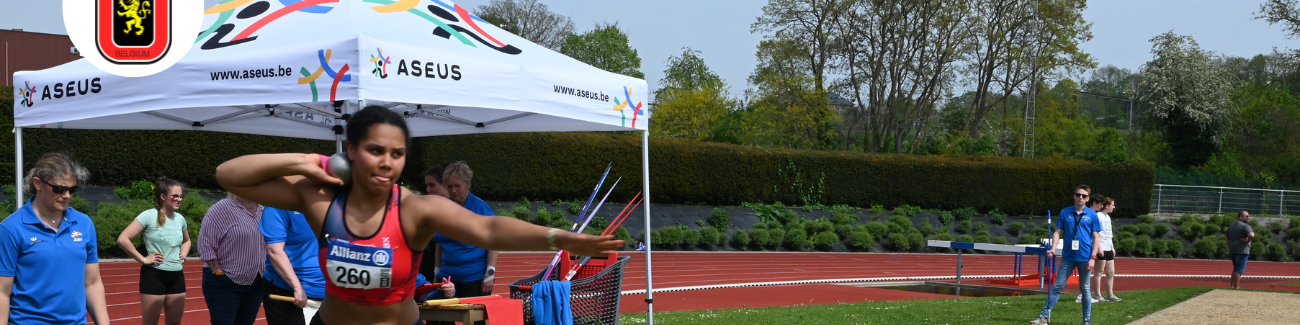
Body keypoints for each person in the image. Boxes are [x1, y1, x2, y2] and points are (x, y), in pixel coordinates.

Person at [214, 105, 622, 325]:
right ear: (351, 152)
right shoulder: (320, 200)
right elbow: (229, 176)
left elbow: (488, 228)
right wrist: (304, 160)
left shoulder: (415, 210)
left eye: (397, 153)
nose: (387, 162)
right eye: (376, 150)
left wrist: (560, 239)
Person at [0, 153, 111, 324]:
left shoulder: (84, 224)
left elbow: (93, 283)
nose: (67, 195)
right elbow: (2, 292)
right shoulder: (11, 228)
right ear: (38, 183)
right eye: (59, 189)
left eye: (72, 189)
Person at [117, 177, 191, 325]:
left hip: (177, 275)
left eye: (181, 196)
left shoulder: (180, 219)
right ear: (163, 197)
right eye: (175, 196)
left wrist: (183, 254)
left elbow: (187, 241)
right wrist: (143, 259)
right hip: (154, 276)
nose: (179, 199)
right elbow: (123, 239)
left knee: (175, 322)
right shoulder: (148, 216)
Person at [430, 162, 498, 325]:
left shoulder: (480, 208)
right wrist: (437, 271)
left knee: (476, 322)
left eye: (457, 186)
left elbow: (494, 240)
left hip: (473, 277)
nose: (453, 191)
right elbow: (440, 241)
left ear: (468, 184)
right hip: (447, 277)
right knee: (443, 320)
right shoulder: (444, 208)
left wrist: (490, 274)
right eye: (449, 186)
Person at [1031, 185, 1102, 325]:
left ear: (1088, 198)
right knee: (1057, 287)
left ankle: (1086, 320)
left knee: (1085, 289)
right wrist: (1053, 248)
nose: (1080, 197)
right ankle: (1044, 316)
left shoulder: (1092, 215)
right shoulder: (1065, 212)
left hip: (1085, 257)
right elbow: (1058, 232)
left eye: (1084, 196)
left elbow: (1096, 237)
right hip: (1068, 257)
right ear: (1074, 196)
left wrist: (1093, 257)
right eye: (1078, 194)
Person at [200, 193, 267, 325]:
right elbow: (206, 244)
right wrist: (217, 271)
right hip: (225, 283)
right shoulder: (220, 209)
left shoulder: (264, 211)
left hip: (256, 282)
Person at [260, 207, 327, 325]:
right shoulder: (277, 207)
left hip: (331, 296)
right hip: (290, 292)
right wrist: (297, 287)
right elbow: (275, 252)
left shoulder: (337, 204)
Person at [1077, 195, 1111, 304]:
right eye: (1100, 204)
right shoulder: (1089, 214)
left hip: (1090, 247)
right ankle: (1081, 295)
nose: (1102, 206)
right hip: (1085, 246)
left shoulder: (1093, 215)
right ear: (1094, 203)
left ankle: (1084, 295)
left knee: (1087, 270)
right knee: (1085, 270)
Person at [418, 164, 448, 282]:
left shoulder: (455, 209)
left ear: (445, 184)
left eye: (432, 185)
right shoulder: (427, 207)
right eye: (427, 185)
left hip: (444, 269)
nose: (428, 190)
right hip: (424, 267)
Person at [1227, 210, 1255, 289]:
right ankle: (1236, 286)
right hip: (1242, 250)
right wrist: (1247, 240)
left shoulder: (1232, 225)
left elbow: (1226, 237)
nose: (1248, 218)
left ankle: (1232, 286)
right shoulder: (1245, 226)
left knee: (1235, 268)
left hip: (1233, 249)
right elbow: (1252, 235)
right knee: (1239, 269)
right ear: (1241, 217)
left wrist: (1229, 245)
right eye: (1246, 216)